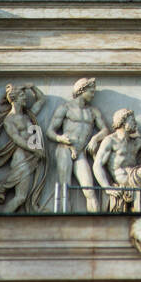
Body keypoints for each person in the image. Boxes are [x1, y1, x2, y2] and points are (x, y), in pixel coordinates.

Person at [0, 82, 49, 214]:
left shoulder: (28, 115)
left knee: (26, 196)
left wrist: (31, 86)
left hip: (33, 157)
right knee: (21, 197)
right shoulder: (9, 120)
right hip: (21, 158)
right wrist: (35, 150)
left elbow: (42, 99)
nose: (25, 99)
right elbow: (17, 139)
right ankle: (0, 222)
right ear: (15, 99)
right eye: (23, 96)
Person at [47, 77, 109, 213]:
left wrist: (94, 139)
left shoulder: (93, 111)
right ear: (82, 90)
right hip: (65, 149)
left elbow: (105, 130)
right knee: (65, 187)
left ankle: (96, 223)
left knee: (89, 189)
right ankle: (63, 221)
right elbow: (49, 131)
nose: (93, 95)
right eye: (91, 92)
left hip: (80, 152)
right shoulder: (65, 108)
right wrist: (60, 138)